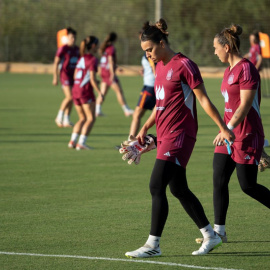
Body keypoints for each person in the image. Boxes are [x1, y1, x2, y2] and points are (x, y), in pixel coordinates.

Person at [124, 19, 234, 258]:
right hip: (165, 136)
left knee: (156, 184)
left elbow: (203, 99)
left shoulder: (185, 65)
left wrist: (223, 128)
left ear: (162, 43)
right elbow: (161, 105)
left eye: (150, 50)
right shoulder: (160, 67)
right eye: (145, 52)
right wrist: (145, 127)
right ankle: (210, 235)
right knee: (179, 188)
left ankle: (153, 245)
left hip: (181, 136)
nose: (149, 55)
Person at [210, 24, 270, 242]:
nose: (214, 52)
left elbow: (246, 105)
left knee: (248, 186)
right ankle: (219, 233)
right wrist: (225, 130)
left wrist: (229, 128)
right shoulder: (228, 71)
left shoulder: (247, 68)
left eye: (215, 47)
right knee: (219, 179)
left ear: (226, 47)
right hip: (229, 135)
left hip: (245, 134)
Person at [68, 36, 103, 150]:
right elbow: (92, 78)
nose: (98, 47)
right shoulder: (93, 59)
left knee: (82, 118)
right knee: (90, 118)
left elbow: (76, 75)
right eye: (97, 45)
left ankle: (72, 141)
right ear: (93, 46)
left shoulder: (81, 58)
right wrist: (99, 92)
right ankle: (81, 143)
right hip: (85, 92)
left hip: (76, 90)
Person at [95, 32, 134, 117]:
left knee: (102, 93)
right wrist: (113, 73)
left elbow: (106, 61)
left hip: (104, 72)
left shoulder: (104, 47)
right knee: (119, 91)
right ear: (115, 39)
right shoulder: (111, 48)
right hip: (109, 73)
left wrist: (116, 67)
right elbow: (110, 61)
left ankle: (97, 110)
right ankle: (126, 110)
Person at [129, 24, 156, 137]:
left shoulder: (148, 54)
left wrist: (155, 74)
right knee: (158, 116)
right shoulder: (149, 53)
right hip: (154, 87)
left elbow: (155, 68)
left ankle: (130, 142)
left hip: (150, 87)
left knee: (136, 115)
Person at [53, 27, 80, 127]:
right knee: (69, 97)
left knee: (72, 98)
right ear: (67, 38)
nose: (73, 39)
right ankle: (59, 116)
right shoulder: (63, 49)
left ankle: (66, 119)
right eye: (71, 37)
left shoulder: (77, 50)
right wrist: (55, 77)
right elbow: (56, 62)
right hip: (65, 76)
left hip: (74, 77)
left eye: (74, 38)